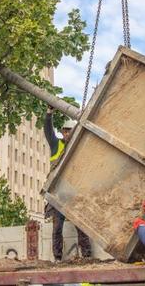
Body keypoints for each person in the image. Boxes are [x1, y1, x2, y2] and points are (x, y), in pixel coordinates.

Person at [44, 106, 92, 261]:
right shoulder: (55, 145)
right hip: (58, 195)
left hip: (73, 194)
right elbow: (48, 131)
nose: (66, 133)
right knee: (57, 228)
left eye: (69, 130)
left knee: (81, 226)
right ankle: (57, 257)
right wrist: (49, 114)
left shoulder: (78, 145)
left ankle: (86, 255)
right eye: (65, 131)